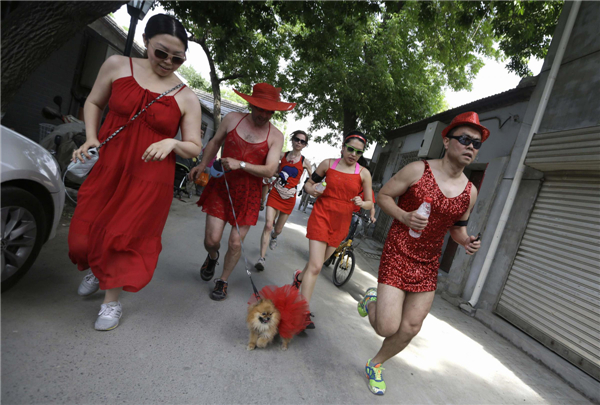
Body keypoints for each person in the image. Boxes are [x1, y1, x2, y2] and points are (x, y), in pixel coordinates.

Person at [69, 14, 202, 331]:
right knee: (80, 239)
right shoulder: (117, 65)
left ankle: (110, 303)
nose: (168, 62)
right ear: (146, 41)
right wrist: (91, 136)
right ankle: (97, 267)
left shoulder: (186, 97)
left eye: (177, 58)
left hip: (149, 178)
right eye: (161, 53)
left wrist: (172, 142)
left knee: (123, 236)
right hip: (110, 165)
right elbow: (93, 102)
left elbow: (195, 146)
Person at [356, 111, 485, 395]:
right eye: (465, 139)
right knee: (387, 326)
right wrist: (404, 216)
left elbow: (457, 227)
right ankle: (372, 300)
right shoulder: (418, 169)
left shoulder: (470, 191)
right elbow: (383, 196)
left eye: (477, 144)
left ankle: (376, 364)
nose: (471, 147)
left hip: (428, 261)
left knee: (411, 326)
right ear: (447, 140)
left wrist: (466, 241)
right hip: (399, 251)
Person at [189, 83, 294, 301]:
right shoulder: (232, 119)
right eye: (260, 109)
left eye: (269, 111)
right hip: (221, 187)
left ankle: (223, 280)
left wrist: (241, 165)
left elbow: (271, 169)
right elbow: (215, 142)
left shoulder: (275, 136)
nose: (264, 115)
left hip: (249, 194)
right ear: (251, 104)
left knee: (236, 243)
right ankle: (212, 256)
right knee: (212, 239)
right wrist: (202, 164)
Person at [292, 131, 374, 328]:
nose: (353, 154)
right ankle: (302, 312)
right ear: (343, 147)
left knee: (316, 263)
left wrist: (362, 203)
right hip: (321, 215)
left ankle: (298, 278)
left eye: (358, 152)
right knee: (316, 266)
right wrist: (311, 189)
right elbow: (309, 184)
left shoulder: (364, 174)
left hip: (341, 222)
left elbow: (370, 202)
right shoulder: (328, 164)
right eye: (350, 149)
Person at [255, 130, 313, 271]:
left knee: (278, 229)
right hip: (275, 193)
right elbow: (272, 168)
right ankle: (261, 258)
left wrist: (314, 188)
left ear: (305, 145)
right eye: (297, 139)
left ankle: (274, 236)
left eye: (302, 141)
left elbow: (313, 179)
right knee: (268, 225)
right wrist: (274, 174)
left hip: (289, 198)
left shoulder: (305, 162)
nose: (299, 143)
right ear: (292, 140)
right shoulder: (282, 155)